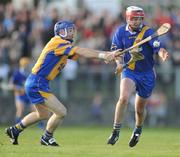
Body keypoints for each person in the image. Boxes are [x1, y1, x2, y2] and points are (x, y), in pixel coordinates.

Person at [6, 20, 116, 146]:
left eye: (72, 30)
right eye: (69, 31)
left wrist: (108, 55)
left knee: (43, 114)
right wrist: (103, 55)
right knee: (61, 112)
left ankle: (15, 130)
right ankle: (46, 137)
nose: (72, 33)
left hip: (37, 82)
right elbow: (80, 50)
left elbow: (81, 54)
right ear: (60, 32)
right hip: (37, 82)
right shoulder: (58, 42)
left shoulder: (63, 46)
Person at [107, 6, 169, 147]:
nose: (137, 21)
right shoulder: (120, 32)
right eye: (134, 19)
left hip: (147, 74)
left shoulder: (148, 32)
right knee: (123, 98)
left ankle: (137, 130)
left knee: (139, 109)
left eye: (139, 19)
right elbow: (118, 53)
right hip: (129, 71)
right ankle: (116, 131)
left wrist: (162, 53)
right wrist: (119, 63)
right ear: (128, 18)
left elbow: (157, 47)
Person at [10, 57, 45, 128]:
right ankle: (16, 126)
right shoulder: (17, 73)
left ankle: (41, 125)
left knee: (35, 109)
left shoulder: (31, 73)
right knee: (20, 110)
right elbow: (11, 85)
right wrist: (19, 89)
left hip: (29, 95)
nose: (27, 66)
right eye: (26, 65)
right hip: (20, 95)